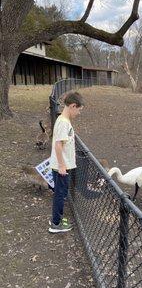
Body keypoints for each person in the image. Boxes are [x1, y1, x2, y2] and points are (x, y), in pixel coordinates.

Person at [49, 91, 84, 233]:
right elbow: (58, 145)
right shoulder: (64, 123)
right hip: (61, 167)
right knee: (60, 194)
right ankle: (55, 224)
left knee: (60, 193)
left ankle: (57, 218)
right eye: (79, 110)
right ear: (73, 106)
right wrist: (62, 165)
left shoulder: (63, 120)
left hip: (60, 166)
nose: (79, 113)